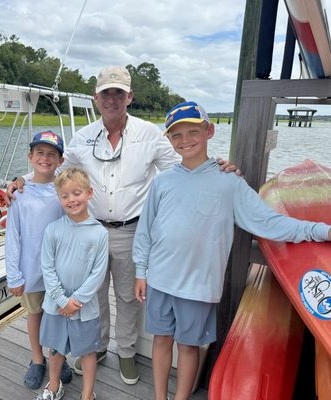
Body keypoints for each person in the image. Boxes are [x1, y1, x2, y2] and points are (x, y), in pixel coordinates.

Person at [8, 66, 239, 385]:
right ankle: (99, 345)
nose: (112, 99)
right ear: (96, 98)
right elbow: (53, 167)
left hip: (133, 230)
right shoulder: (83, 137)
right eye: (106, 93)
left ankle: (127, 352)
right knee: (92, 293)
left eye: (118, 92)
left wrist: (219, 167)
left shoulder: (150, 134)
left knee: (129, 297)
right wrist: (24, 179)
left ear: (129, 96)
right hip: (90, 230)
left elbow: (185, 164)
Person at [133, 101, 331, 400]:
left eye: (193, 131)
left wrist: (321, 230)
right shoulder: (162, 182)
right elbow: (145, 231)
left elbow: (269, 222)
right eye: (177, 135)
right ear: (169, 140)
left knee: (188, 346)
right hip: (159, 280)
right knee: (161, 340)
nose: (185, 139)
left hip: (197, 287)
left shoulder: (230, 182)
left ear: (209, 131)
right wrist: (140, 271)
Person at [5, 130, 72, 390]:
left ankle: (58, 357)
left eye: (52, 154)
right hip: (31, 269)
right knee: (35, 314)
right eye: (40, 153)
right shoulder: (20, 193)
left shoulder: (65, 190)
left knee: (59, 317)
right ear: (30, 157)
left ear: (61, 160)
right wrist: (14, 276)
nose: (45, 159)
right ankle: (37, 358)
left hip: (61, 271)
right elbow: (13, 237)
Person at [35, 167, 108, 400]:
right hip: (56, 305)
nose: (71, 199)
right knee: (55, 348)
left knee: (88, 352)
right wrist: (61, 300)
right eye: (64, 195)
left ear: (89, 193)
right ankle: (54, 384)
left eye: (76, 193)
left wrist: (75, 301)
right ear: (59, 198)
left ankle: (88, 394)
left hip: (84, 308)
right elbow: (47, 268)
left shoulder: (99, 233)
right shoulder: (53, 230)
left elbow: (98, 273)